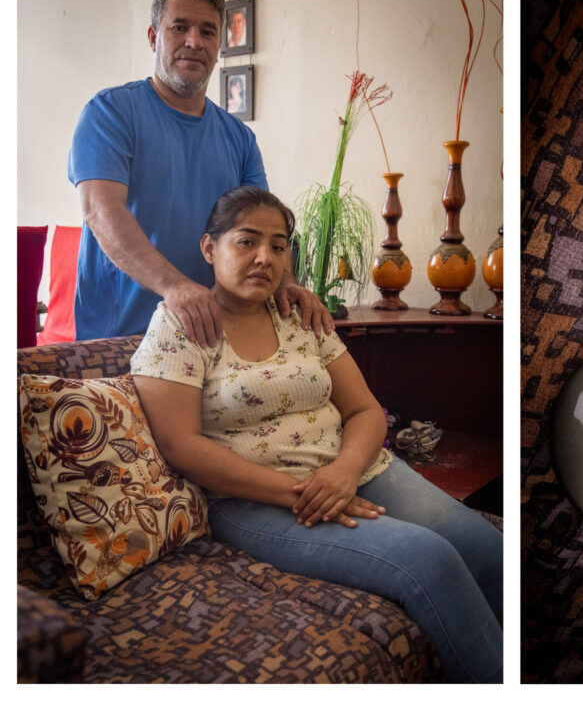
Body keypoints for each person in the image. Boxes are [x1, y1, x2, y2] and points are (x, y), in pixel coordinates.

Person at [130, 187, 504, 683]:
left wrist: (345, 473)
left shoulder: (299, 314)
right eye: (246, 242)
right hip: (254, 500)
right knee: (428, 561)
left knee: (487, 546)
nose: (265, 257)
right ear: (209, 248)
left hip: (357, 470)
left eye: (279, 246)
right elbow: (182, 446)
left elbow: (365, 410)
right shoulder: (180, 325)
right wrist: (309, 492)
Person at [68, 0, 330, 346]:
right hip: (119, 340)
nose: (194, 41)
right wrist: (174, 286)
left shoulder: (239, 137)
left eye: (207, 31)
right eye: (179, 27)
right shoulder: (110, 112)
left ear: (219, 44)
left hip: (207, 338)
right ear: (153, 37)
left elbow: (266, 229)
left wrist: (288, 284)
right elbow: (100, 211)